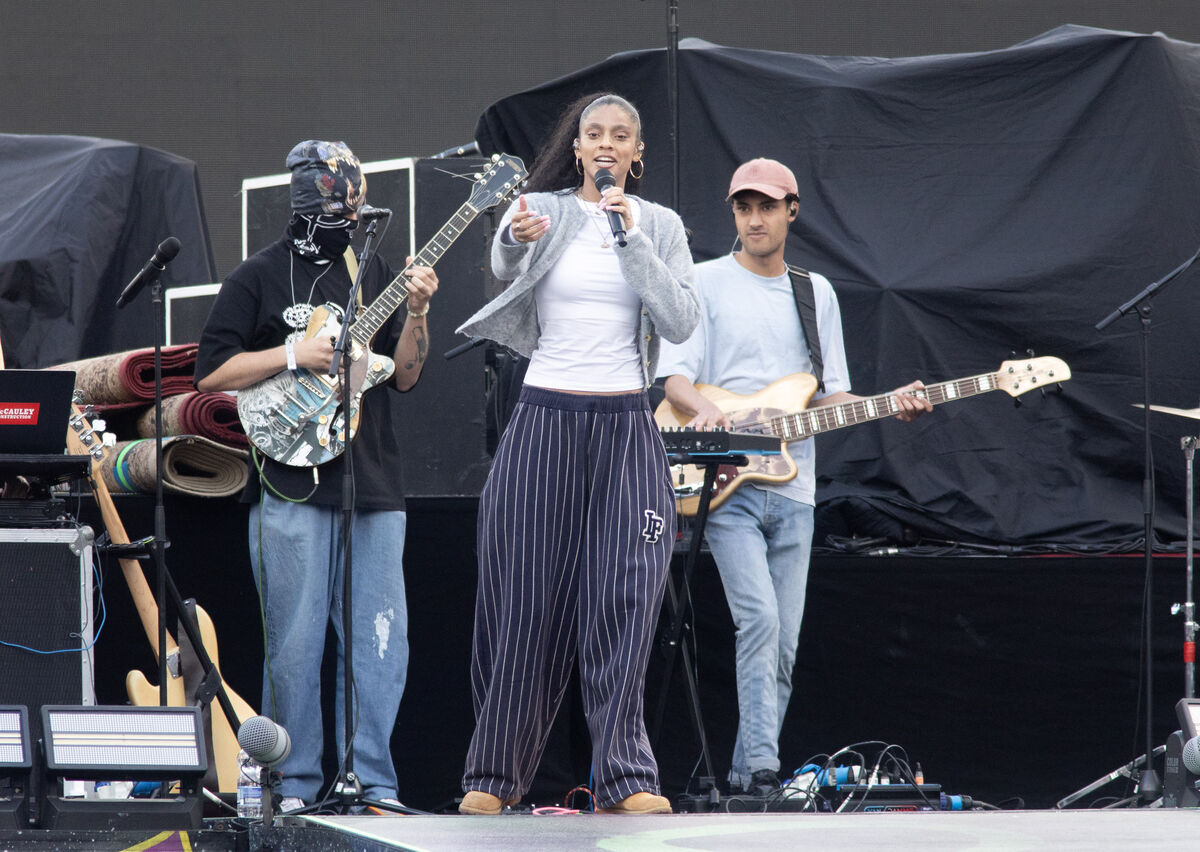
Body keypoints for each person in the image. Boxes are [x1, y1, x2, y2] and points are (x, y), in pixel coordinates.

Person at [454, 92, 699, 815]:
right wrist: (513, 234)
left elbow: (681, 318)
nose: (606, 143)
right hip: (545, 418)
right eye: (594, 132)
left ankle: (626, 776)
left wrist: (634, 242)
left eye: (621, 134)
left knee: (625, 597)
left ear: (636, 153)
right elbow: (504, 263)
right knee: (525, 599)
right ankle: (494, 776)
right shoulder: (545, 208)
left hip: (626, 424)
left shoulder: (659, 225)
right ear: (579, 144)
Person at [657, 157, 931, 796]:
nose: (754, 219)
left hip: (796, 489)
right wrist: (726, 423)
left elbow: (829, 398)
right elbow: (673, 380)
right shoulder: (702, 282)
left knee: (782, 646)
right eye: (743, 208)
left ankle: (745, 781)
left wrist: (891, 402)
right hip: (727, 486)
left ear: (791, 212)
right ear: (734, 214)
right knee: (758, 621)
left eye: (766, 207)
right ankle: (762, 770)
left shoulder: (817, 294)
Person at [194, 140, 438, 810]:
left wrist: (416, 313)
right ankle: (291, 784)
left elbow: (407, 374)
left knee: (380, 645)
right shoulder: (259, 276)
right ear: (303, 200)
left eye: (349, 198)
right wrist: (291, 353)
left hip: (374, 482)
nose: (342, 211)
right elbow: (211, 372)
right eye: (330, 198)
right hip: (291, 482)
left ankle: (373, 785)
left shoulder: (374, 263)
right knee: (294, 644)